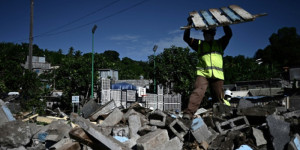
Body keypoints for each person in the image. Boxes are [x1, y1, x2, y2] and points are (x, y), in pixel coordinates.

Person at [182, 17, 232, 120]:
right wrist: (189, 25)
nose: (206, 36)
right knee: (198, 91)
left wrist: (224, 24)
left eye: (209, 34)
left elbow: (229, 35)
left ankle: (221, 115)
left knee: (218, 97)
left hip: (217, 75)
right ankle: (189, 113)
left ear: (213, 35)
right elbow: (186, 38)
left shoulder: (220, 43)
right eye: (205, 34)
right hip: (203, 73)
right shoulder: (199, 44)